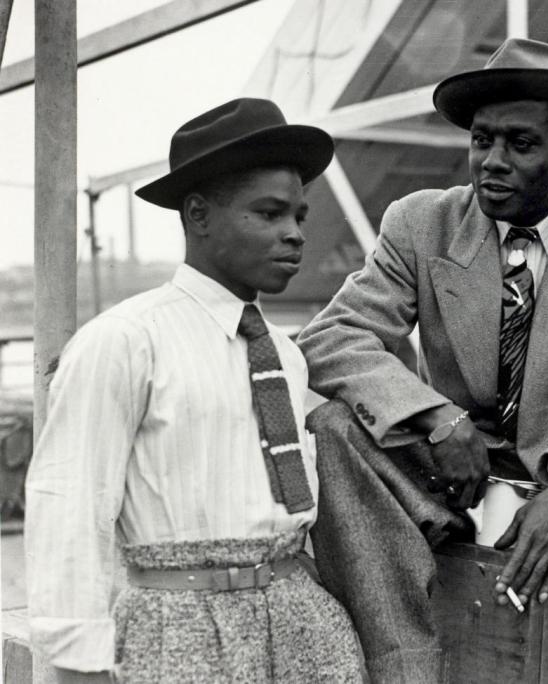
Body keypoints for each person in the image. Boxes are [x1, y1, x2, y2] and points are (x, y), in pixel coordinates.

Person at [297, 38, 548, 684]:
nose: (491, 163)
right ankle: (406, 665)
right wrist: (436, 419)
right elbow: (335, 336)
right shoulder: (420, 224)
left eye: (521, 145)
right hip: (448, 471)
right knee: (336, 429)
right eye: (481, 141)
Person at [25, 98, 365, 683]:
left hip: (299, 622)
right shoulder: (125, 341)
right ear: (199, 214)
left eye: (300, 217)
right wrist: (79, 665)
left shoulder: (284, 354)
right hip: (176, 624)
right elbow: (70, 505)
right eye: (269, 213)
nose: (294, 235)